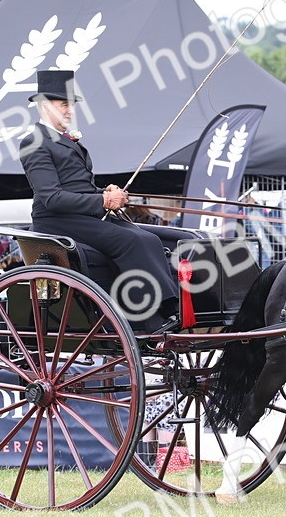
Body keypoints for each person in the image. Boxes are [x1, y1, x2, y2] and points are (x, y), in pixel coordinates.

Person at [18, 70, 180, 330]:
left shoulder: (62, 140)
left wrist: (107, 193)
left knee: (151, 238)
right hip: (57, 221)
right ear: (45, 106)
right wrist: (103, 201)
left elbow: (78, 187)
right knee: (132, 241)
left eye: (71, 105)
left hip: (80, 215)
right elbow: (51, 197)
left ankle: (169, 305)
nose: (70, 111)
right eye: (65, 105)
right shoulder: (34, 143)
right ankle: (147, 318)